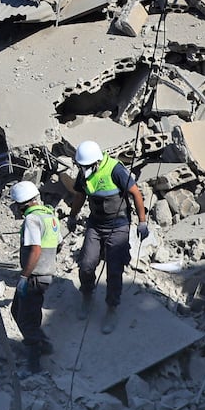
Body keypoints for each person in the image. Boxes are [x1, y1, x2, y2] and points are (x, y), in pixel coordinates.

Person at [67, 140, 148, 334]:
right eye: (80, 166)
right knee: (87, 263)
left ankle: (112, 308)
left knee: (114, 268)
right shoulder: (83, 173)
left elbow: (136, 194)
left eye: (85, 166)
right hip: (95, 224)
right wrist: (72, 215)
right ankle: (87, 294)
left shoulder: (115, 170)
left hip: (118, 225)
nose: (82, 169)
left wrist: (142, 221)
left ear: (95, 162)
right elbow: (79, 196)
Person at [8, 180, 62, 372]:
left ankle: (34, 364)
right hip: (44, 275)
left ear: (23, 205)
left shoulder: (31, 220)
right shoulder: (50, 216)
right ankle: (43, 344)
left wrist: (24, 276)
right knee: (17, 310)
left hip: (34, 277)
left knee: (25, 320)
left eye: (15, 205)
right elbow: (59, 243)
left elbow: (36, 250)